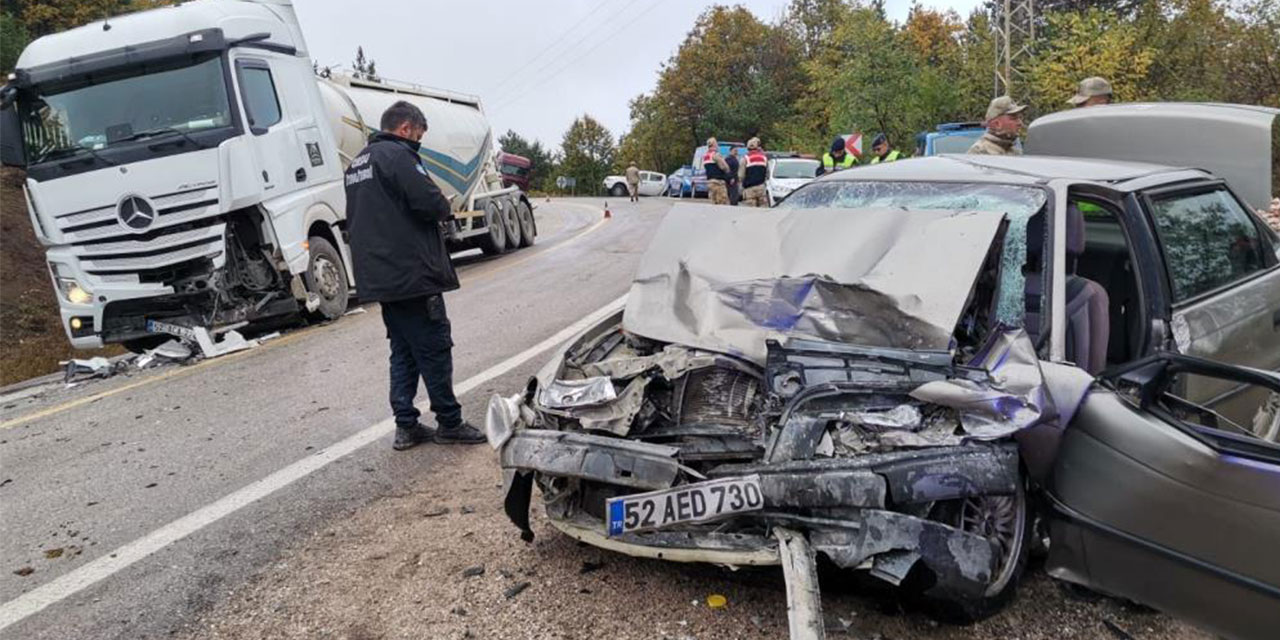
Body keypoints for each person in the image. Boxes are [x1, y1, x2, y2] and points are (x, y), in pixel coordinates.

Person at [344, 100, 486, 450]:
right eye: (419, 134)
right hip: (412, 273)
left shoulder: (357, 164)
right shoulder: (398, 157)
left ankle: (406, 426)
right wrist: (444, 204)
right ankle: (449, 422)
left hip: (382, 278)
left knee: (404, 350)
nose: (419, 141)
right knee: (434, 347)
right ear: (405, 128)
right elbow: (430, 203)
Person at [740, 137, 769, 207]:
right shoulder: (764, 158)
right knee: (763, 210)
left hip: (749, 189)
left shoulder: (745, 158)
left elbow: (741, 175)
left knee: (751, 212)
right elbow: (767, 173)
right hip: (761, 188)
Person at [702, 137, 731, 205]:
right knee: (723, 203)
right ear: (714, 144)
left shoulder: (706, 156)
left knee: (713, 204)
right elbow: (724, 167)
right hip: (718, 183)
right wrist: (728, 172)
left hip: (710, 182)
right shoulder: (715, 155)